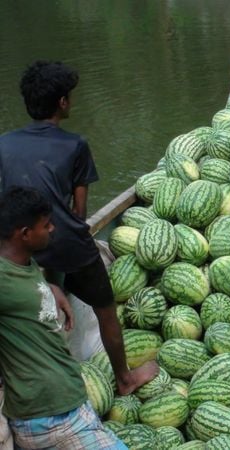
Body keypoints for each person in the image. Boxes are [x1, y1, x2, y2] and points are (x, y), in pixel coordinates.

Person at [0, 61, 158, 396]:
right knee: (105, 309)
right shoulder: (75, 145)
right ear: (62, 102)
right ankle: (124, 379)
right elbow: (80, 212)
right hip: (67, 244)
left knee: (40, 299)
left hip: (21, 246)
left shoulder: (4, 144)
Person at [0, 187, 127, 449]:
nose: (52, 230)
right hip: (51, 419)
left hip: (69, 406)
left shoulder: (23, 261)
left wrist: (50, 289)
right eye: (46, 226)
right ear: (25, 234)